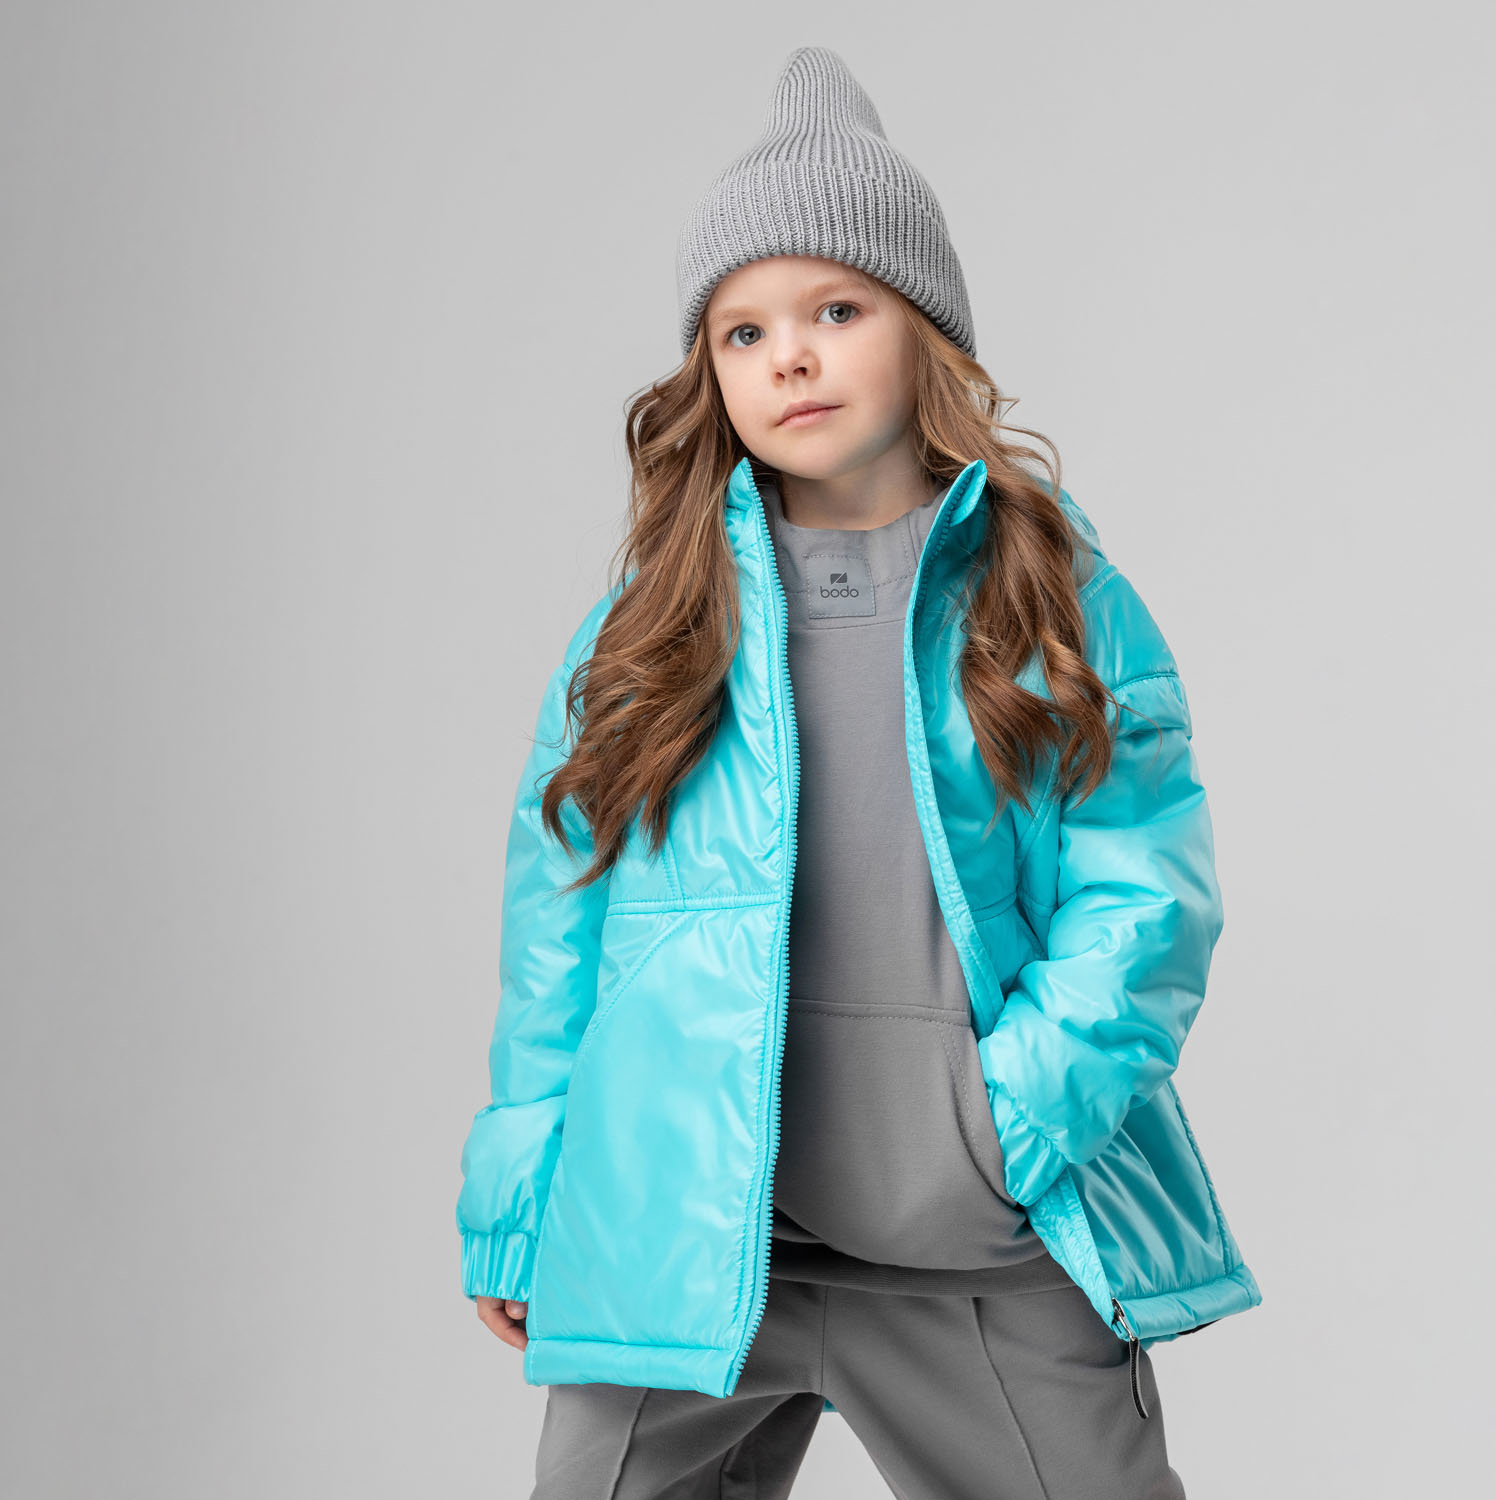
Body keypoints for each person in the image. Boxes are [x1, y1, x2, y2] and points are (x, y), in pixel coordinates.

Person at [455, 44, 1262, 1500]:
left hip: (975, 1247)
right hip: (696, 1252)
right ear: (709, 371)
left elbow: (1148, 895)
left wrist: (1013, 1121)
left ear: (925, 330)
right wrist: (523, 1196)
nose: (791, 358)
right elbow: (558, 925)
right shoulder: (652, 626)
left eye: (837, 309)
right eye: (743, 331)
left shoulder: (1050, 598)